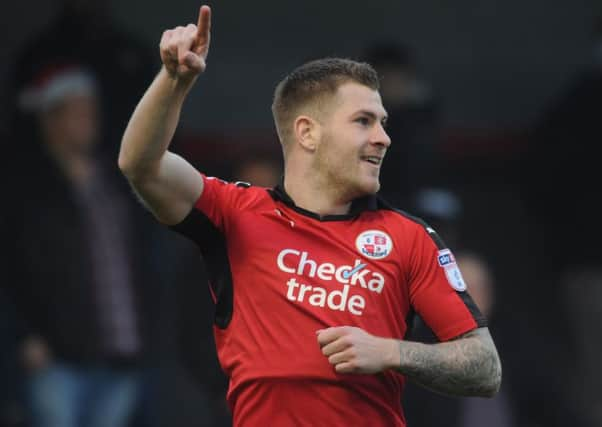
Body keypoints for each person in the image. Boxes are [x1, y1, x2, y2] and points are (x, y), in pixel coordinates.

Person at [118, 5, 502, 426]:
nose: (383, 138)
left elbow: (485, 366)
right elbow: (141, 165)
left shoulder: (409, 237)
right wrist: (174, 80)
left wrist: (391, 351)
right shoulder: (235, 213)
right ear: (307, 132)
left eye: (383, 122)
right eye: (363, 121)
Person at [1, 63, 160, 427]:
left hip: (124, 353)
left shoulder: (117, 182)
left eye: (91, 110)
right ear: (49, 120)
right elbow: (10, 271)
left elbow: (144, 262)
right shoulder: (23, 192)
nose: (88, 120)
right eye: (76, 112)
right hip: (57, 358)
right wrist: (22, 335)